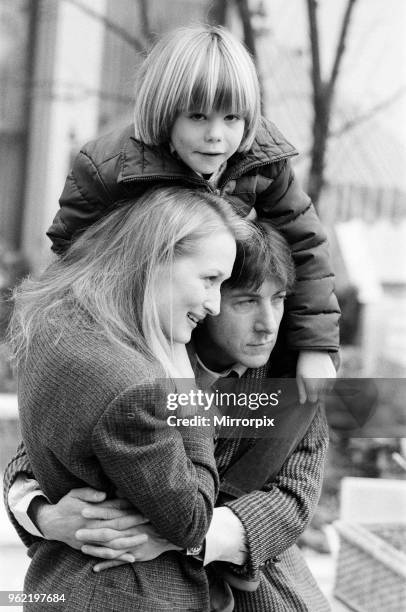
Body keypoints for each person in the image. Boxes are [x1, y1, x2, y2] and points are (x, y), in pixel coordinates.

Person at [6, 222, 331, 611]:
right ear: (206, 298)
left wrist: (188, 536)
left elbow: (294, 496)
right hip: (120, 574)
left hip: (252, 583)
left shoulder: (293, 377)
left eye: (277, 299)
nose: (268, 324)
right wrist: (45, 515)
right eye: (245, 302)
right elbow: (36, 452)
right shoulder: (131, 361)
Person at [46, 24, 340, 403]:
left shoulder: (262, 161)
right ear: (165, 113)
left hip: (212, 315)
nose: (216, 135)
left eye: (231, 118)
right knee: (165, 413)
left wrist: (316, 348)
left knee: (284, 388)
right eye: (198, 117)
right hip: (139, 317)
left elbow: (307, 245)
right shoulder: (110, 168)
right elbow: (70, 254)